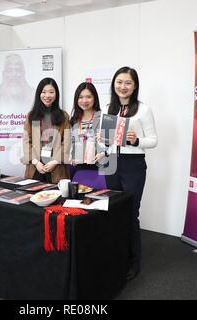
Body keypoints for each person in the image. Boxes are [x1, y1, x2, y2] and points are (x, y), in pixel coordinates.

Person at [102, 66, 157, 280]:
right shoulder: (108, 107)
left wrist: (136, 140)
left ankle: (134, 263)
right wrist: (101, 143)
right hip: (109, 161)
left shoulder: (143, 109)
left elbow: (153, 140)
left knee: (130, 213)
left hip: (132, 163)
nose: (122, 86)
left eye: (128, 83)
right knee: (112, 211)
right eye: (119, 82)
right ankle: (116, 256)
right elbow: (104, 139)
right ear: (113, 84)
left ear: (134, 86)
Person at [22, 78, 70, 183]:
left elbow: (66, 142)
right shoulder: (31, 116)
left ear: (56, 94)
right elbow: (27, 141)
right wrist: (36, 162)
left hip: (57, 168)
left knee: (56, 197)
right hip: (35, 168)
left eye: (51, 92)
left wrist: (55, 161)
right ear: (39, 94)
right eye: (43, 92)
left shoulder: (64, 116)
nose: (47, 95)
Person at [69, 82, 107, 179]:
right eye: (80, 97)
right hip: (80, 167)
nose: (84, 100)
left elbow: (111, 143)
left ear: (95, 98)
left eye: (88, 97)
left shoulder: (103, 117)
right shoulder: (74, 120)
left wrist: (103, 153)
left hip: (99, 166)